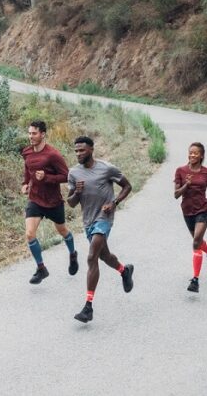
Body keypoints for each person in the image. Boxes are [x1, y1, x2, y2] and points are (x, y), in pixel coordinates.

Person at [67, 136, 134, 323]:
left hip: (104, 218)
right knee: (104, 256)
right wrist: (77, 192)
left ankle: (88, 307)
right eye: (76, 151)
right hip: (88, 221)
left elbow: (127, 186)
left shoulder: (106, 168)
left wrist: (114, 203)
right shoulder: (73, 173)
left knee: (91, 257)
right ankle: (124, 270)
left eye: (82, 150)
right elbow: (71, 203)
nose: (79, 154)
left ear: (91, 149)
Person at [21, 120, 78, 284]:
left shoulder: (53, 155)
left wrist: (47, 177)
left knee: (62, 231)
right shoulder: (27, 152)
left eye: (34, 133)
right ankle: (41, 268)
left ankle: (73, 254)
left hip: (53, 201)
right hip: (35, 199)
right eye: (29, 133)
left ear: (43, 134)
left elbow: (66, 176)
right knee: (29, 234)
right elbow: (28, 169)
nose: (31, 136)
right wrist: (25, 183)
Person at [174, 142, 207, 293]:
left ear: (201, 156)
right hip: (187, 211)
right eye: (190, 152)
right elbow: (176, 195)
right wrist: (186, 185)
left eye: (195, 153)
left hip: (203, 209)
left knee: (195, 242)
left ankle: (195, 280)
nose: (192, 155)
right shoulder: (181, 171)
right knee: (198, 242)